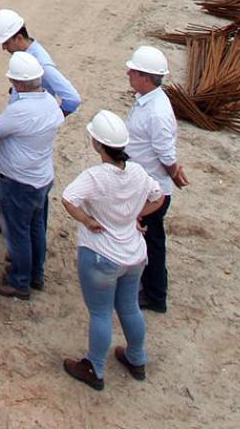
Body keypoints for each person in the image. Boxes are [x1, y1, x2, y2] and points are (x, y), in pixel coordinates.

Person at [59, 110, 165, 389]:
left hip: (101, 254)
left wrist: (87, 220)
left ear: (97, 143)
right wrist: (136, 216)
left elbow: (68, 198)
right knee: (129, 307)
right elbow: (159, 197)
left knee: (100, 313)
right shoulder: (138, 172)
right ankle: (136, 357)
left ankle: (94, 366)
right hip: (133, 253)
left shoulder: (95, 177)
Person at [0, 52, 65, 298]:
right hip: (41, 178)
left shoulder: (20, 110)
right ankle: (36, 275)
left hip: (18, 180)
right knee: (36, 227)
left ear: (17, 83)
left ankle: (19, 281)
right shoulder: (50, 103)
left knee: (17, 231)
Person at [124, 44, 188, 314]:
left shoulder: (158, 112)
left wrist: (174, 173)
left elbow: (164, 152)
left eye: (133, 71)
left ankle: (154, 294)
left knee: (152, 242)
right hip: (143, 182)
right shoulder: (147, 102)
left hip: (152, 189)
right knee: (147, 239)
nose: (128, 73)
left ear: (146, 77)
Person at [0, 9, 81, 114]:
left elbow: (73, 99)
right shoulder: (26, 55)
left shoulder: (42, 63)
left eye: (6, 43)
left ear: (19, 38)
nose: (4, 48)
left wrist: (53, 119)